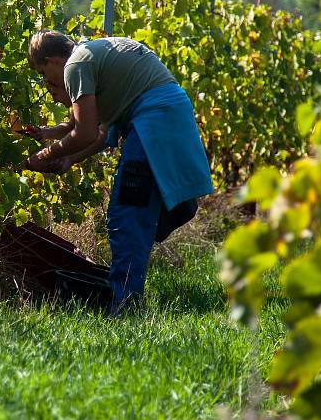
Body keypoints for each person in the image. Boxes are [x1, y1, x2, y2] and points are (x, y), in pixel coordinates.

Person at [25, 31, 213, 313]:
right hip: (171, 114)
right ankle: (162, 223)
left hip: (153, 122)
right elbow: (101, 134)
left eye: (43, 72)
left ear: (52, 60)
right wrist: (68, 160)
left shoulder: (76, 64)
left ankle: (124, 304)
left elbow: (85, 132)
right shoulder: (95, 51)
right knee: (144, 209)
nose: (47, 82)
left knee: (126, 214)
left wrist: (41, 157)